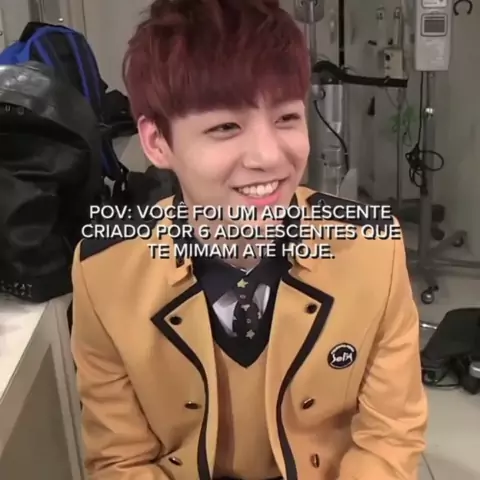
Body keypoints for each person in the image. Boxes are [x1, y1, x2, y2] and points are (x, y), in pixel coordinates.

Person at [70, 0, 428, 479]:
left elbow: (390, 435)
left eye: (286, 118)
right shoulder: (105, 273)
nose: (270, 156)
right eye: (225, 126)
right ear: (157, 143)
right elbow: (121, 461)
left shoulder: (372, 249)